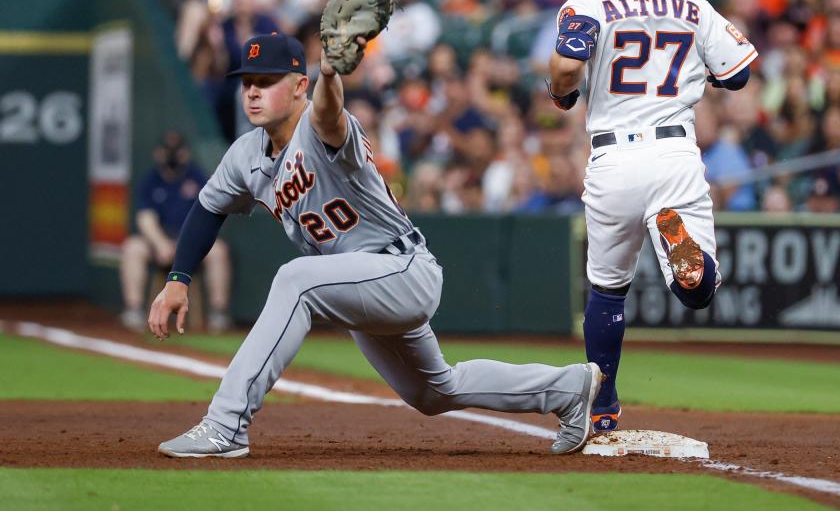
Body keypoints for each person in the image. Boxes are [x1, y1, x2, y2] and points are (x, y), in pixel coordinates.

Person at [149, 32, 600, 458]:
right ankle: (568, 389)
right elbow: (208, 209)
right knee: (432, 391)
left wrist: (330, 74)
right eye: (248, 82)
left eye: (266, 82)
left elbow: (328, 112)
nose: (252, 92)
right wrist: (178, 279)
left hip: (402, 268)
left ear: (300, 85)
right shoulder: (245, 154)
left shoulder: (320, 125)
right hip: (360, 283)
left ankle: (226, 426)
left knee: (295, 280)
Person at [548, 0, 757, 432]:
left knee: (606, 288)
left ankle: (602, 404)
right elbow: (736, 77)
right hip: (673, 152)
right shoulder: (691, 2)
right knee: (698, 291)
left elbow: (567, 69)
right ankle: (684, 257)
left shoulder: (588, 3)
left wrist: (559, 92)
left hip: (612, 157)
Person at [119, 132, 232, 333]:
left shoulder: (196, 177)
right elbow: (145, 218)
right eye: (167, 150)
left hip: (191, 242)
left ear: (185, 153)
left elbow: (209, 216)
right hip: (159, 242)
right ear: (158, 153)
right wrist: (160, 243)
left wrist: (186, 247)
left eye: (177, 150)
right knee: (133, 248)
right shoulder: (151, 180)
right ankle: (134, 309)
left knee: (219, 251)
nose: (172, 155)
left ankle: (218, 312)